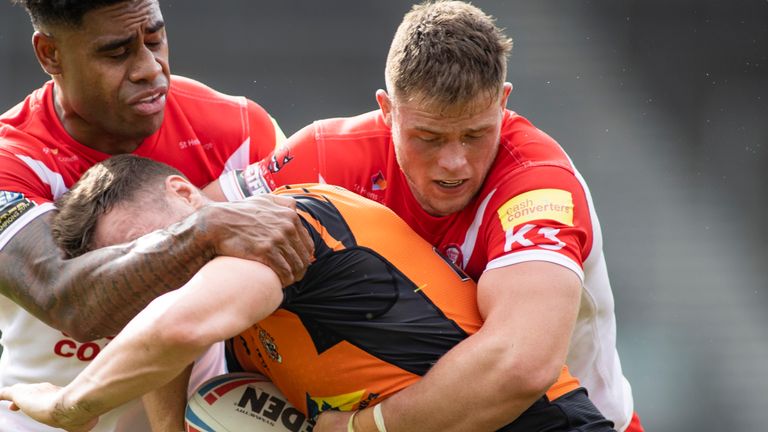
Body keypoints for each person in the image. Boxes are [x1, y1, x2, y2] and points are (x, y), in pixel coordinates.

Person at [210, 1, 644, 431]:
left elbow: (521, 368)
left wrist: (362, 429)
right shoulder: (327, 153)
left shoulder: (537, 187)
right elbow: (191, 223)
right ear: (387, 109)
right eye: (428, 138)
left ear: (503, 101)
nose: (454, 163)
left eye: (475, 134)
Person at [0, 154, 615, 432]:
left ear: (188, 196)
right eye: (141, 267)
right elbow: (164, 316)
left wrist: (71, 406)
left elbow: (174, 327)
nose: (165, 265)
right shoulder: (218, 298)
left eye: (157, 241)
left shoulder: (278, 230)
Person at [0, 1, 312, 431]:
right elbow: (66, 300)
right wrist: (204, 228)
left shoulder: (237, 131)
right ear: (50, 54)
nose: (151, 68)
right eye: (116, 52)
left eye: (155, 39)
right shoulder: (11, 161)